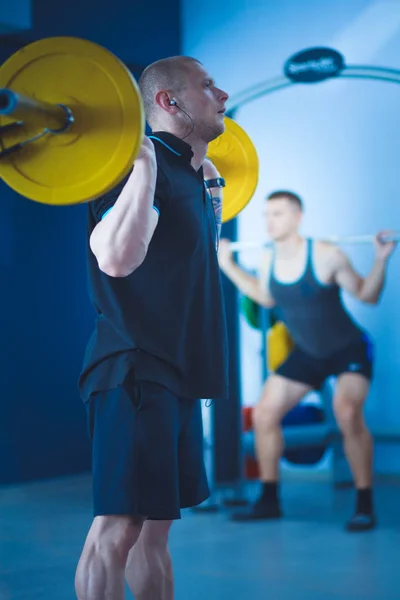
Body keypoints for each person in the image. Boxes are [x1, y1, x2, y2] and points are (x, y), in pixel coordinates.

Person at [75, 56, 229, 600]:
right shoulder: (136, 166)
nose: (222, 93)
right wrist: (140, 164)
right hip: (135, 369)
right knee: (116, 530)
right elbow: (114, 259)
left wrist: (206, 179)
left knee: (155, 534)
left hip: (180, 373)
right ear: (169, 102)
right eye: (206, 86)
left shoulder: (195, 177)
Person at [218, 190, 397, 532]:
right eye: (267, 214)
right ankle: (269, 500)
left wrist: (380, 260)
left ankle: (364, 504)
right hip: (308, 353)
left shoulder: (328, 255)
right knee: (264, 414)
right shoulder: (269, 259)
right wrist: (228, 266)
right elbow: (267, 297)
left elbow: (368, 296)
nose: (270, 221)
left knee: (347, 412)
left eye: (279, 214)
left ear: (298, 217)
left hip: (348, 350)